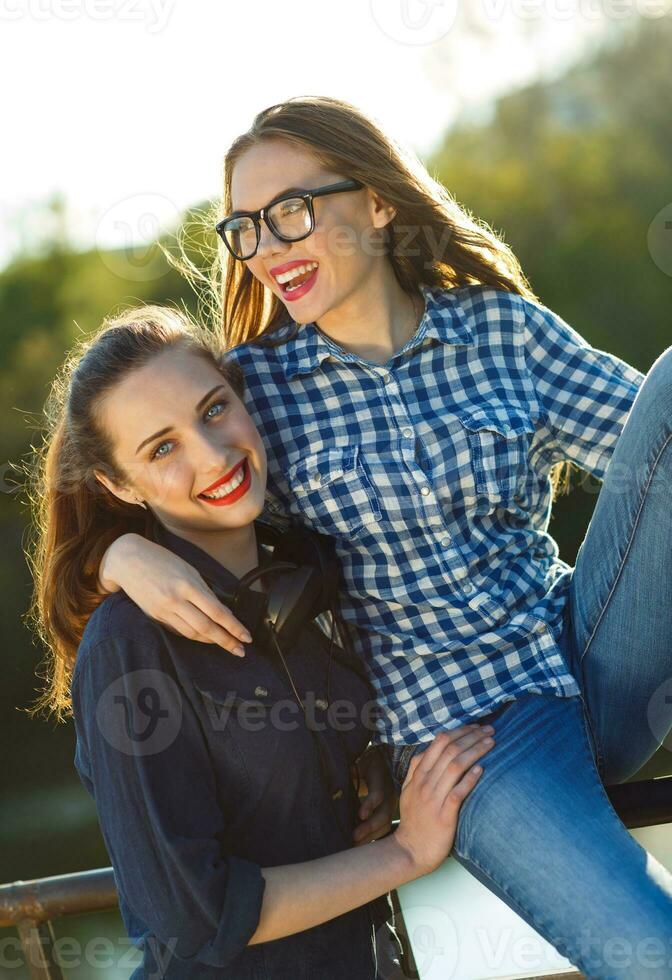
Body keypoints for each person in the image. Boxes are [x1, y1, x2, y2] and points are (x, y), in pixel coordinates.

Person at [95, 98, 672, 977]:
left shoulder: (498, 329)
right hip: (472, 738)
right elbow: (148, 482)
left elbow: (651, 464)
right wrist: (116, 551)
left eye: (290, 212)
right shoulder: (253, 393)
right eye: (246, 230)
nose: (270, 248)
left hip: (596, 652)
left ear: (376, 200)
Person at [26, 305, 495, 979]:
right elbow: (198, 915)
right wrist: (403, 855)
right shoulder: (127, 644)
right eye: (162, 449)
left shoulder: (305, 579)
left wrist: (361, 774)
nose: (213, 456)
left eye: (213, 409)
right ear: (118, 486)